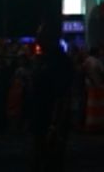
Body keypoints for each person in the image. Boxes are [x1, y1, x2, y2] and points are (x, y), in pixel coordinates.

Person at [28, 29, 75, 172]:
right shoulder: (42, 60)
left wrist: (55, 123)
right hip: (41, 114)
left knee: (51, 155)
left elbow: (62, 93)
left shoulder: (58, 62)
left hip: (51, 115)